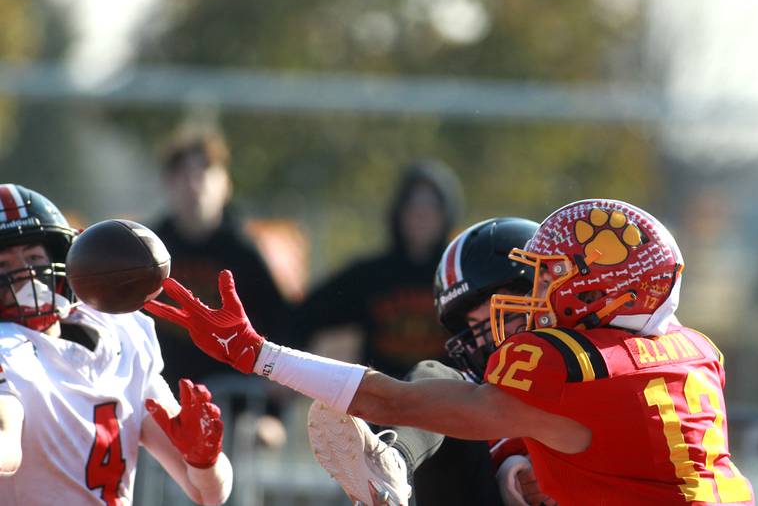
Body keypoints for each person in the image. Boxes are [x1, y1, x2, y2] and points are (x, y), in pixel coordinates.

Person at [145, 198, 755, 506]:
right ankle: (391, 462)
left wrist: (258, 355)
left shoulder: (563, 365)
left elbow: (394, 396)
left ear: (604, 286)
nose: (535, 299)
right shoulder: (695, 351)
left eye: (549, 278)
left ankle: (391, 462)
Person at [0, 184, 233, 505]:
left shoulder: (122, 333)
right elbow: (5, 442)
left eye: (34, 258)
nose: (25, 275)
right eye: (4, 266)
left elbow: (209, 493)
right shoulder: (6, 348)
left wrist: (205, 462)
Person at [306, 217, 541, 506]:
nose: (488, 340)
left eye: (503, 317)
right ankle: (392, 463)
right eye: (475, 327)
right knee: (439, 382)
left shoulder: (594, 370)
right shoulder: (473, 392)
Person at [150, 126, 291, 394]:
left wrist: (271, 411)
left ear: (226, 184)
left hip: (237, 402)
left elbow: (281, 325)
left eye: (203, 172)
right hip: (160, 393)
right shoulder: (148, 248)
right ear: (167, 183)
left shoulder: (242, 252)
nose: (193, 185)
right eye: (182, 174)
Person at [293, 159, 463, 378]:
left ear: (447, 213)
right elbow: (305, 315)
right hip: (382, 402)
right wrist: (283, 368)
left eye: (432, 205)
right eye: (413, 204)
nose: (422, 214)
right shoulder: (371, 276)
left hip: (446, 403)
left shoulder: (460, 275)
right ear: (399, 211)